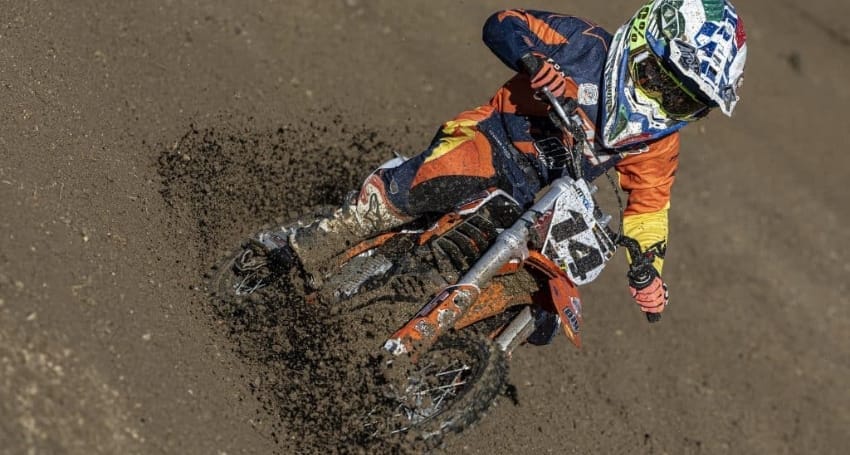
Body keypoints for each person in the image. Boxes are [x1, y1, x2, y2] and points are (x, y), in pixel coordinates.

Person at [244, 0, 747, 318]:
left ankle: (449, 344)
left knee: (544, 306)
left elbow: (649, 206)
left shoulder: (657, 142)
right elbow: (505, 22)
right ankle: (301, 247)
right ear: (641, 42)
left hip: (548, 195)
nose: (662, 102)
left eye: (682, 100)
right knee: (434, 179)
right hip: (495, 139)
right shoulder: (585, 44)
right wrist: (533, 62)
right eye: (661, 80)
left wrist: (649, 268)